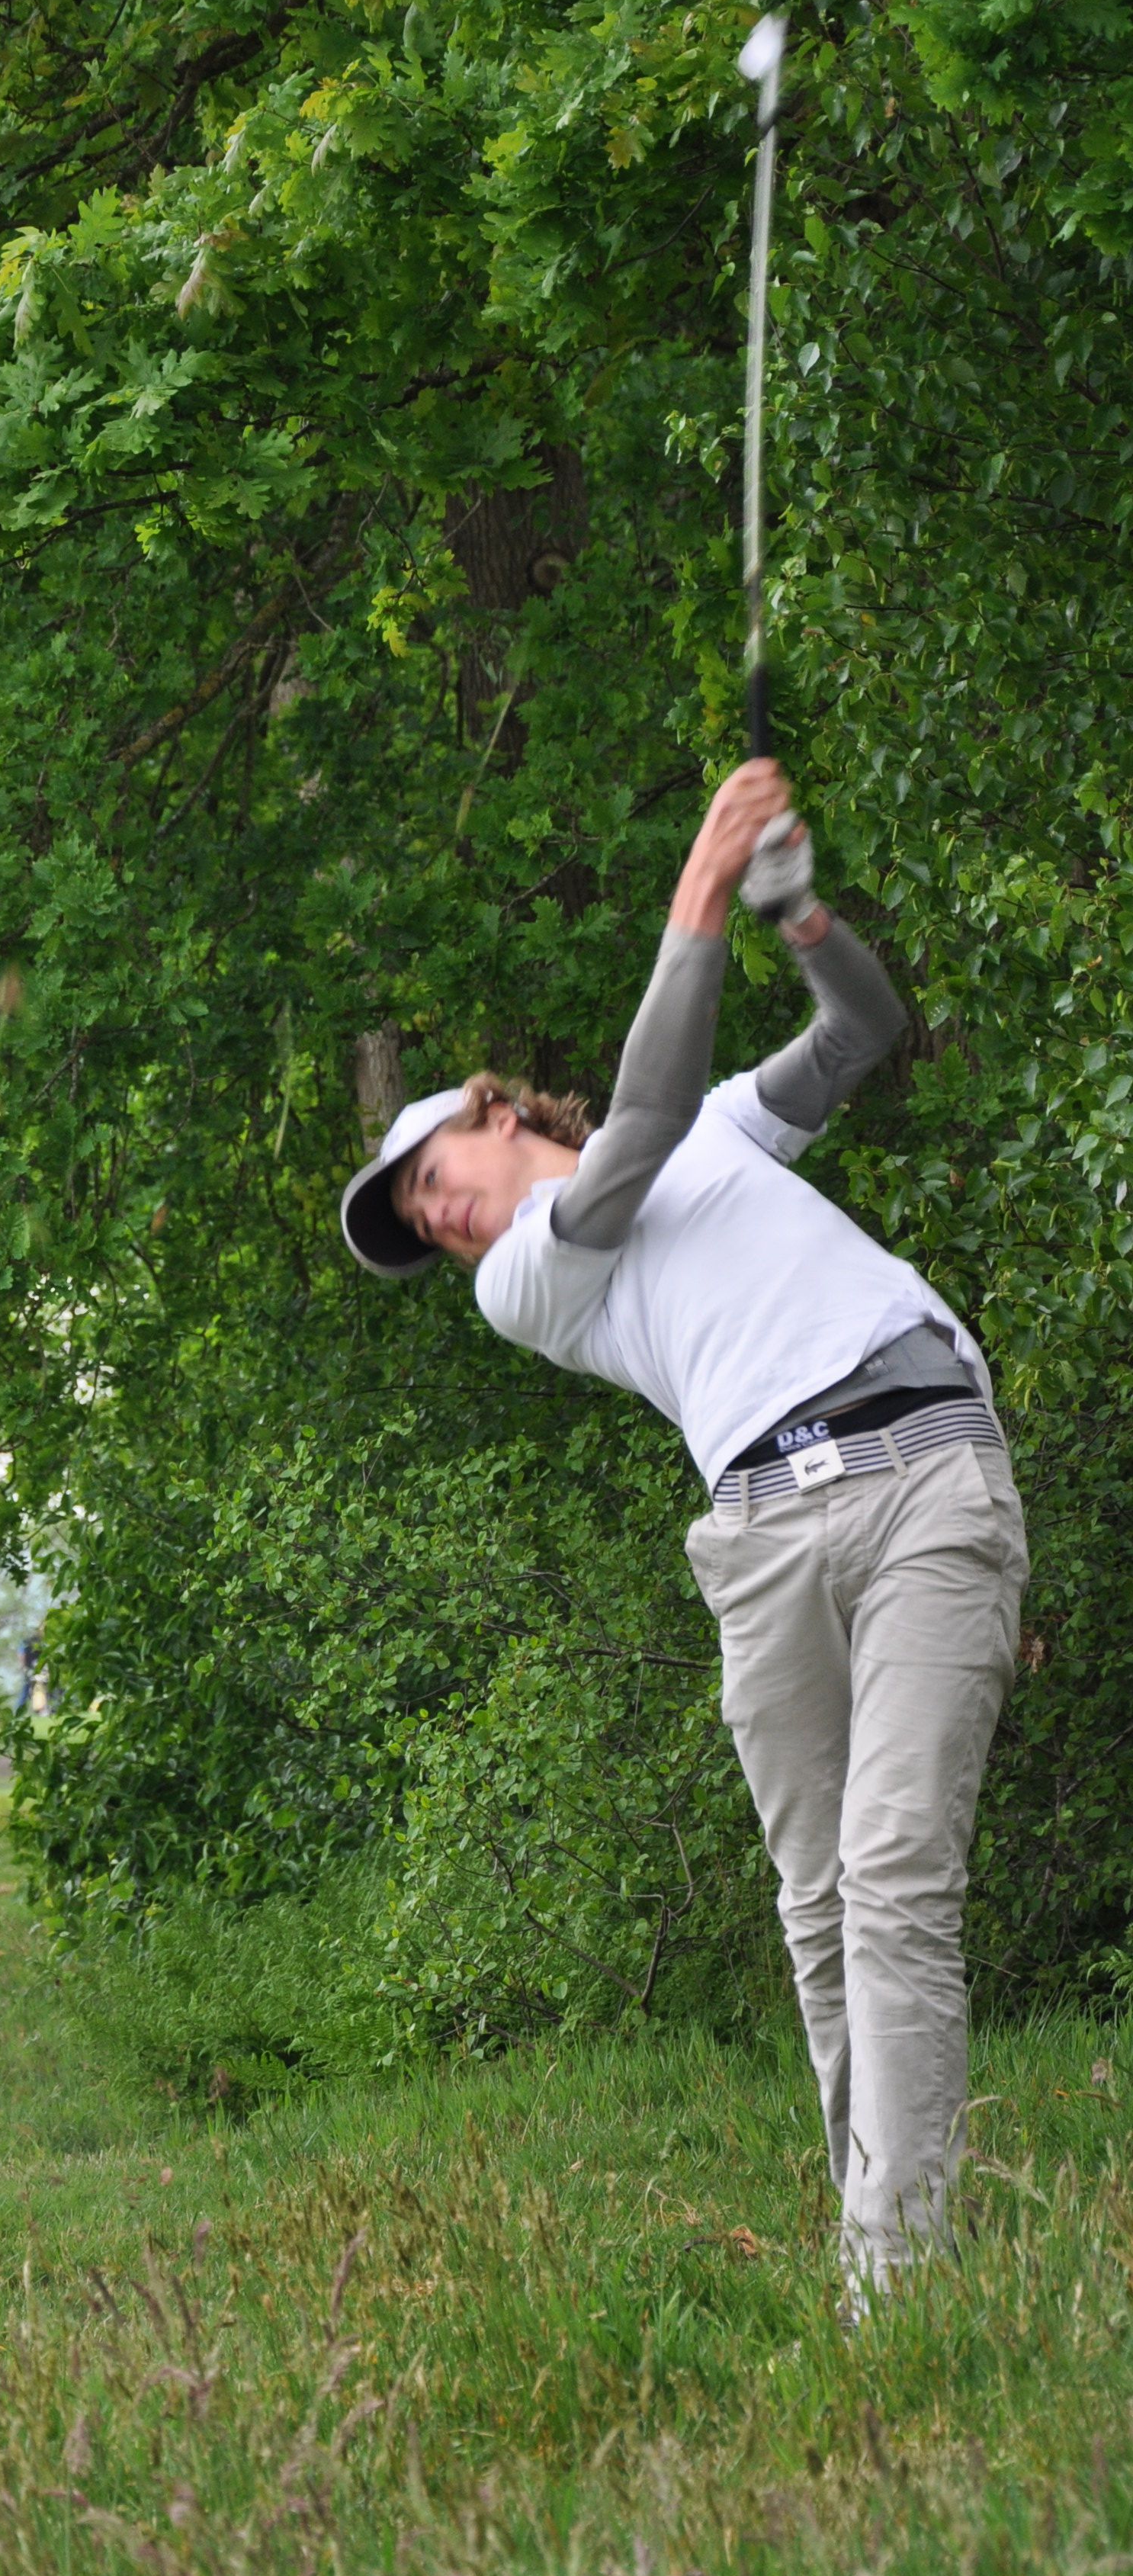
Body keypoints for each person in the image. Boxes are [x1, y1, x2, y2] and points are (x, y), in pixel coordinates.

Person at [339, 758, 1029, 2300]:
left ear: (491, 1111)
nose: (433, 1218)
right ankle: (893, 2262)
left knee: (892, 1874)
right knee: (821, 1907)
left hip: (923, 1473)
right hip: (764, 1536)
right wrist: (699, 882)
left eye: (426, 1180)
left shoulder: (725, 1133)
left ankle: (893, 2273)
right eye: (416, 1226)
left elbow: (859, 1032)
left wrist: (790, 909)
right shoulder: (524, 1277)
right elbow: (638, 1119)